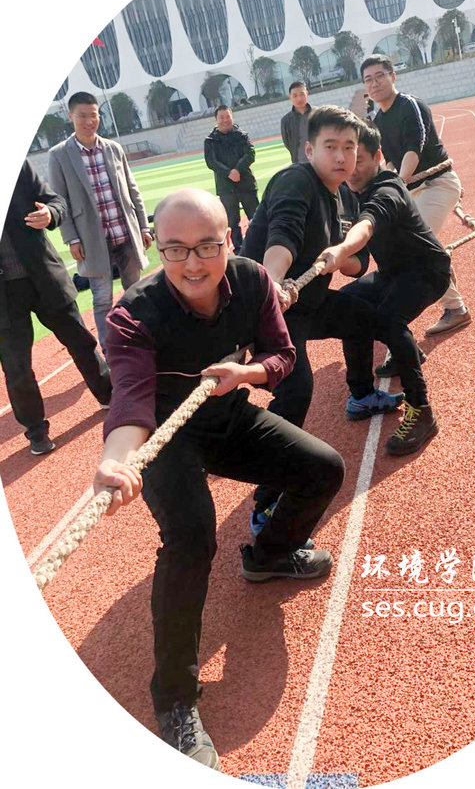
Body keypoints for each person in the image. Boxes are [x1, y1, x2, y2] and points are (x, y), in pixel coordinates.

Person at [93, 187, 345, 770]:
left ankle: (270, 553)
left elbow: (282, 356)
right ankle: (174, 698)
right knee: (191, 540)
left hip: (228, 416)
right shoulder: (131, 315)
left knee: (322, 468)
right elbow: (130, 401)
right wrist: (117, 459)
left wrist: (246, 374)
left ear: (229, 239)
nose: (192, 263)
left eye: (207, 245)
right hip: (165, 437)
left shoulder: (252, 280)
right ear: (157, 248)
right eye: (176, 249)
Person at [241, 106, 403, 526]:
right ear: (310, 150)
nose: (342, 156)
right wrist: (274, 283)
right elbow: (283, 237)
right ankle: (266, 504)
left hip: (308, 304)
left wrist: (339, 255)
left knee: (362, 315)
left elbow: (358, 265)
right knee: (296, 394)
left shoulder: (344, 195)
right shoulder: (296, 181)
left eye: (349, 147)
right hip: (270, 307)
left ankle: (361, 394)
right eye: (331, 146)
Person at [318, 121, 451, 455]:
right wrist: (335, 256)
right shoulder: (348, 192)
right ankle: (363, 395)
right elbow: (360, 262)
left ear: (378, 156)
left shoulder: (387, 188)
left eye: (360, 160)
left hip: (427, 271)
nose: (351, 169)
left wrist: (342, 248)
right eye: (348, 159)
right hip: (393, 273)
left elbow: (367, 226)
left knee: (390, 321)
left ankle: (422, 411)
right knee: (348, 304)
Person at [0, 160, 111, 454]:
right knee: (16, 366)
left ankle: (109, 395)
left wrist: (50, 214)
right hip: (4, 296)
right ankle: (36, 432)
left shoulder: (13, 162)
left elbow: (56, 201)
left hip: (43, 277)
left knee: (81, 341)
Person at [360, 54, 471, 336]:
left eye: (380, 76)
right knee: (412, 245)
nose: (375, 83)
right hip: (412, 190)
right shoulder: (379, 119)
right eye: (368, 79)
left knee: (414, 248)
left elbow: (414, 149)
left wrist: (397, 186)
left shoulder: (410, 105)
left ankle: (454, 309)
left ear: (393, 76)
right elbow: (390, 160)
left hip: (437, 184)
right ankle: (447, 290)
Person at [48, 91, 153, 355]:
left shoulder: (113, 148)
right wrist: (71, 238)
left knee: (135, 292)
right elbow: (60, 200)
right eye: (82, 116)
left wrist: (143, 226)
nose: (89, 121)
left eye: (93, 115)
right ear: (71, 116)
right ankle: (111, 351)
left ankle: (142, 339)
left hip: (125, 232)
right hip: (91, 240)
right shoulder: (59, 155)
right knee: (102, 299)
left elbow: (132, 189)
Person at [204, 105, 259, 250]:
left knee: (256, 217)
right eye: (221, 117)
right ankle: (239, 248)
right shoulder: (210, 140)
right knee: (232, 221)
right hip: (226, 187)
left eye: (227, 116)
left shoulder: (242, 136)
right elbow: (211, 162)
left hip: (246, 183)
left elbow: (250, 154)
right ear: (216, 120)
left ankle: (259, 243)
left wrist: (237, 169)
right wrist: (229, 173)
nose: (225, 120)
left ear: (232, 117)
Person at [280, 81, 314, 163]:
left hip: (320, 161)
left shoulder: (318, 114)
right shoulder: (286, 120)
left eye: (302, 94)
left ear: (307, 94)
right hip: (299, 162)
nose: (299, 99)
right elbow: (288, 143)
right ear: (290, 97)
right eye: (295, 96)